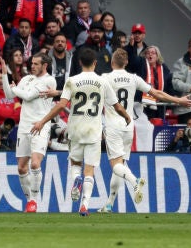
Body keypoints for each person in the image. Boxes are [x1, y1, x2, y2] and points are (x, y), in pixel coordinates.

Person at [30, 47, 131, 216]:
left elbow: (62, 105)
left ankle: (76, 179)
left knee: (76, 164)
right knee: (89, 170)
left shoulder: (72, 80)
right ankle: (84, 204)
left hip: (75, 128)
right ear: (95, 63)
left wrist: (42, 121)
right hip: (94, 130)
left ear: (79, 63)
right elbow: (117, 106)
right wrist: (126, 116)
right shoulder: (102, 81)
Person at [97, 48, 191, 213]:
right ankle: (109, 204)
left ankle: (135, 181)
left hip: (113, 125)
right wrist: (178, 100)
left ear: (112, 62)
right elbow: (157, 93)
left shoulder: (105, 78)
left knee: (115, 165)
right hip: (128, 126)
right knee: (121, 165)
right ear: (127, 63)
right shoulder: (133, 78)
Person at [1, 52, 57, 213]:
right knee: (21, 168)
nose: (32, 66)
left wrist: (15, 89)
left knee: (35, 163)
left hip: (40, 125)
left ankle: (33, 200)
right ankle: (29, 202)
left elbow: (28, 96)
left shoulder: (49, 80)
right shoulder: (26, 79)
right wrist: (5, 76)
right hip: (24, 126)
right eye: (32, 63)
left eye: (36, 64)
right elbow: (9, 95)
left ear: (45, 66)